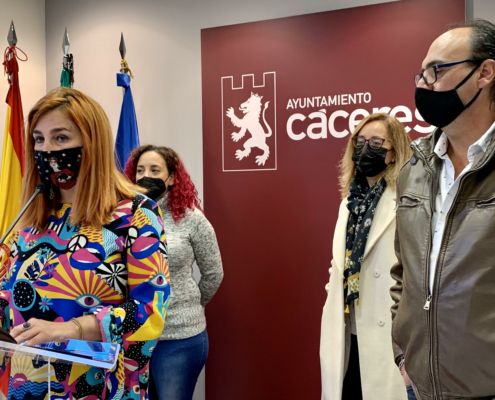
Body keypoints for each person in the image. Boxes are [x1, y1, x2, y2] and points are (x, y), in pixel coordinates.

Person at [0, 87, 170, 399]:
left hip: (97, 387)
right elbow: (10, 293)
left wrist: (72, 328)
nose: (47, 150)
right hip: (29, 384)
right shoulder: (34, 215)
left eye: (61, 138)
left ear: (92, 143)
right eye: (39, 139)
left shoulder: (135, 213)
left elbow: (150, 310)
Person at [391, 19, 495, 400]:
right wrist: (403, 353)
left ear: (485, 72)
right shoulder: (414, 167)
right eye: (421, 74)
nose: (424, 84)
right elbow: (403, 273)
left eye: (436, 70)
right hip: (420, 388)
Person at [320, 113, 411, 400]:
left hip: (386, 328)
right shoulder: (350, 202)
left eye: (375, 142)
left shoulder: (407, 199)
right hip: (347, 326)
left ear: (393, 152)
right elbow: (340, 263)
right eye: (360, 142)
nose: (365, 149)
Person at [124, 145, 223, 400]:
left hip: (179, 339)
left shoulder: (192, 219)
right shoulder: (122, 218)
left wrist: (187, 303)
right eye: (140, 170)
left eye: (155, 170)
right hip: (135, 336)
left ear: (170, 178)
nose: (146, 176)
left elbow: (213, 273)